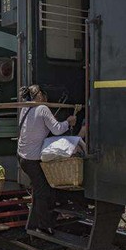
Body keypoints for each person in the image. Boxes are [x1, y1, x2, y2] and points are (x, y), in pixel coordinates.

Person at [17, 85, 76, 234]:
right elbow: (57, 129)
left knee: (39, 189)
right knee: (43, 191)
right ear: (40, 95)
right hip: (33, 159)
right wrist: (69, 121)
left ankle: (35, 223)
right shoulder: (42, 108)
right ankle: (43, 225)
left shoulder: (25, 108)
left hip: (22, 156)